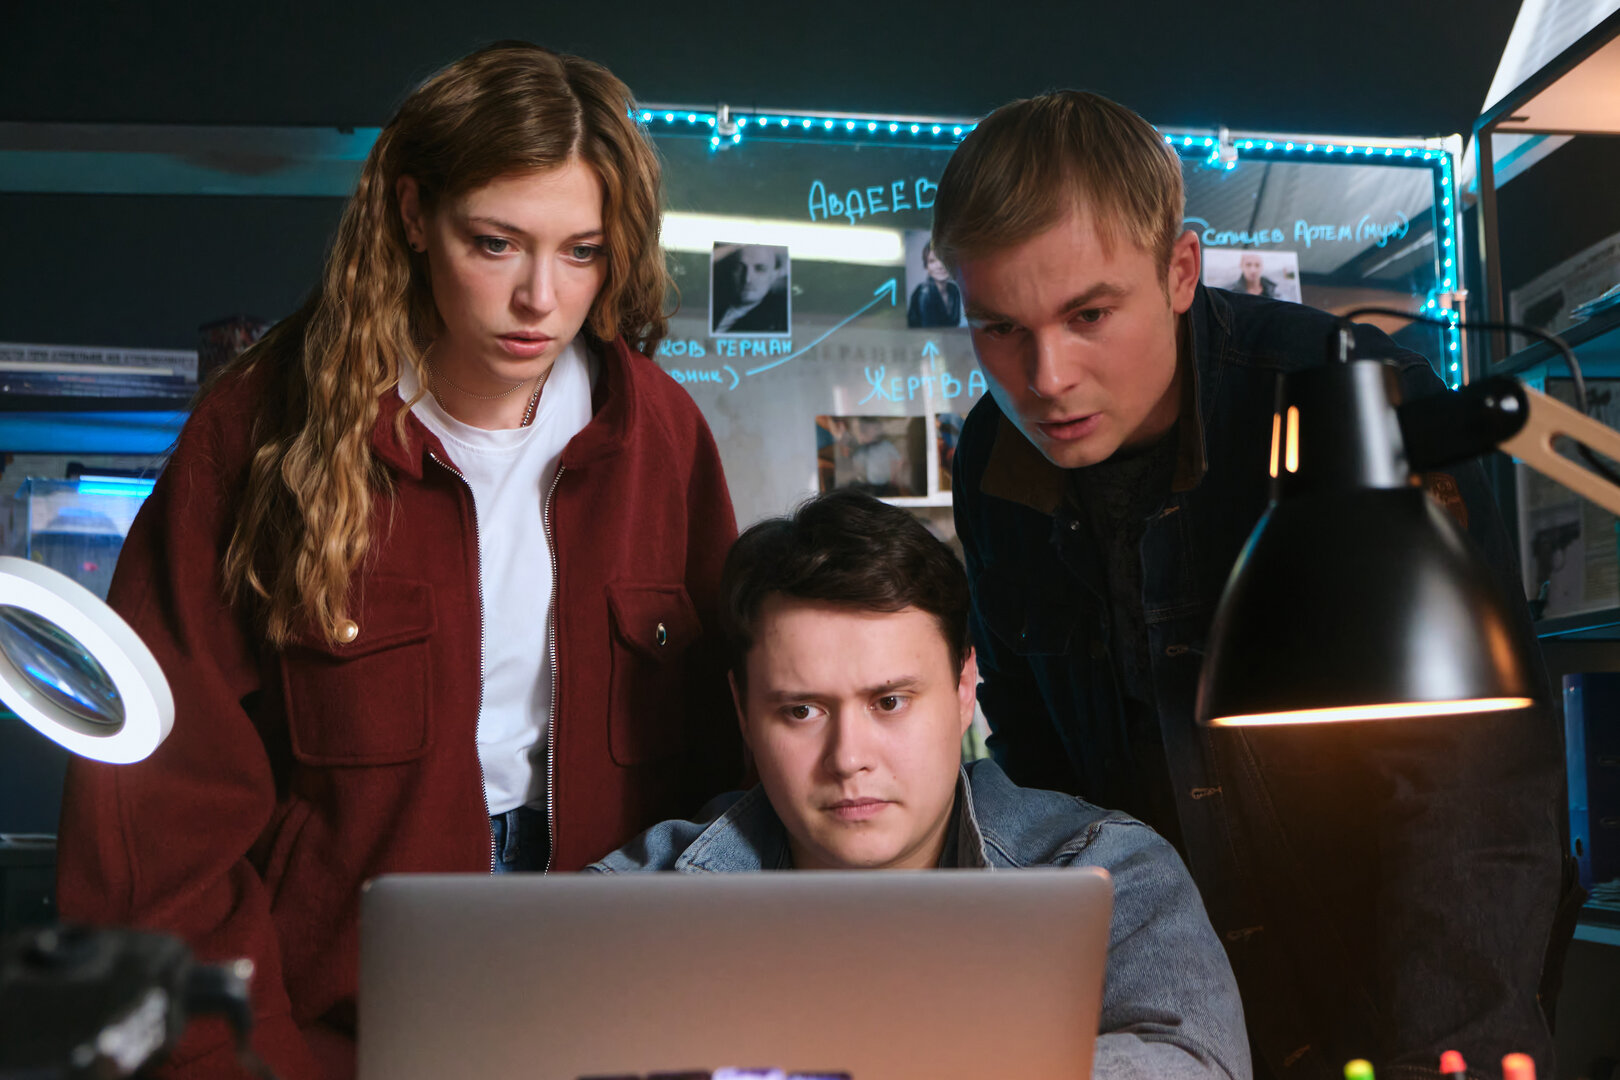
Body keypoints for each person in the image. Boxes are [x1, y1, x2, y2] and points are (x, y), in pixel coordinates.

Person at [55, 42, 744, 1080]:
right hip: (343, 1008)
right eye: (496, 244)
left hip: (611, 988)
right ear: (415, 214)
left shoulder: (661, 435)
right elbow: (153, 814)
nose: (541, 299)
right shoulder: (259, 432)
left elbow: (726, 766)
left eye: (582, 252)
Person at [935, 91, 1570, 1079]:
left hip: (1396, 998)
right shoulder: (993, 463)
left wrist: (1449, 1052)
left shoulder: (1352, 406)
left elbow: (1474, 785)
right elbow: (1041, 772)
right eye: (1000, 328)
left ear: (1181, 269)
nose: (1046, 377)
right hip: (1163, 1014)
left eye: (1089, 315)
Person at [593, 491, 1252, 1080]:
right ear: (742, 712)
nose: (849, 759)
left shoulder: (1107, 869)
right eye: (802, 711)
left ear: (965, 690)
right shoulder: (633, 903)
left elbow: (1195, 1067)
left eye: (890, 702)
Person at [711, 243, 790, 334]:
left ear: (775, 274)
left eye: (760, 269)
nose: (747, 279)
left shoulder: (781, 320)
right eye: (739, 267)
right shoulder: (716, 302)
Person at [906, 240, 964, 327]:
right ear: (926, 267)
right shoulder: (922, 293)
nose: (940, 266)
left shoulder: (954, 290)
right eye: (932, 261)